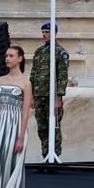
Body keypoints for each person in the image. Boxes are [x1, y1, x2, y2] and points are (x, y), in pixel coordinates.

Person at [0, 45, 32, 188]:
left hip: (16, 126)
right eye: (6, 55)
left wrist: (21, 137)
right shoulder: (0, 80)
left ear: (20, 58)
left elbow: (26, 111)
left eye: (11, 55)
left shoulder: (25, 82)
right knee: (0, 163)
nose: (7, 58)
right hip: (2, 126)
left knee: (14, 164)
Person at [32, 21, 69, 159]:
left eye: (47, 32)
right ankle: (45, 155)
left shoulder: (60, 52)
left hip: (51, 95)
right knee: (42, 127)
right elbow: (33, 73)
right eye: (43, 32)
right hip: (39, 94)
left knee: (54, 127)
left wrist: (59, 96)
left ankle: (55, 155)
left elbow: (62, 75)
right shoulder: (39, 52)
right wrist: (31, 95)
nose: (44, 35)